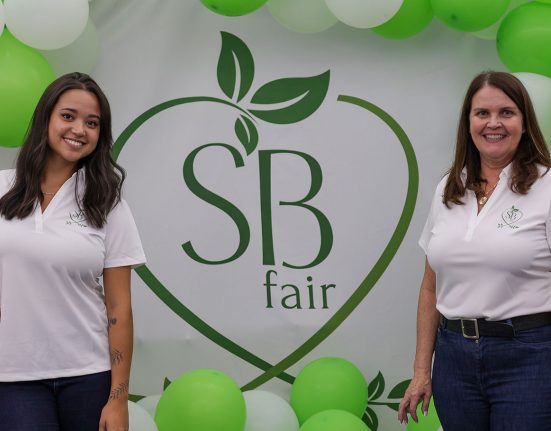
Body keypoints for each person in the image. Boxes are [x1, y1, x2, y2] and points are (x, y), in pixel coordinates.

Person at [398, 71, 551, 430]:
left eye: (506, 113)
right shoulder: (449, 187)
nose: (493, 123)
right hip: (454, 360)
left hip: (529, 356)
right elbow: (430, 288)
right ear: (468, 122)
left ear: (525, 123)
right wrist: (422, 371)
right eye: (482, 113)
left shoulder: (547, 187)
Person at [0, 72, 146, 431]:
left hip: (88, 375)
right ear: (46, 119)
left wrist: (118, 399)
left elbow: (119, 308)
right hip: (13, 375)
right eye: (68, 116)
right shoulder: (2, 186)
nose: (79, 129)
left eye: (92, 123)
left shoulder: (107, 202)